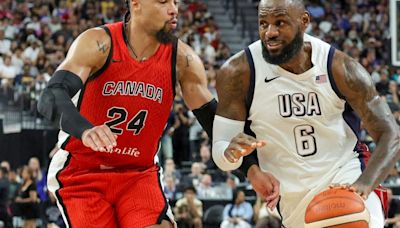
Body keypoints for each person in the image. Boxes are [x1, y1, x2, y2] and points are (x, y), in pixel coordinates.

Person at [212, 0, 400, 227]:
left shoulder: (340, 68)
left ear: (304, 22)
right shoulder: (238, 72)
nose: (269, 32)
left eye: (280, 23)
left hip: (345, 177)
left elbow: (391, 134)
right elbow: (221, 152)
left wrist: (364, 185)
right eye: (263, 24)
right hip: (291, 198)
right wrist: (230, 154)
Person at [38, 0, 216, 227]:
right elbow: (50, 97)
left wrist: (249, 164)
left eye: (175, 1)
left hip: (138, 173)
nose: (174, 9)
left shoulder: (183, 59)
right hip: (83, 171)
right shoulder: (99, 43)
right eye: (163, 1)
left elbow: (213, 119)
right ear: (136, 4)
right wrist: (85, 130)